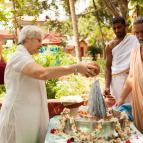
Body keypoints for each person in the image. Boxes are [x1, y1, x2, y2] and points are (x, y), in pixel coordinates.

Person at [0, 25, 100, 143]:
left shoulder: (26, 58)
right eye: (39, 40)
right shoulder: (19, 57)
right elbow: (42, 73)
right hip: (17, 120)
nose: (41, 44)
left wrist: (81, 70)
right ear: (27, 38)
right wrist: (76, 68)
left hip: (26, 118)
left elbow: (45, 73)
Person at [116, 17, 143, 134]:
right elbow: (131, 77)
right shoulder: (135, 52)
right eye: (137, 32)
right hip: (139, 104)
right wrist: (121, 98)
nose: (140, 36)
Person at [104, 16, 139, 102]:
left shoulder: (135, 39)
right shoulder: (110, 46)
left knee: (132, 108)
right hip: (116, 81)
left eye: (119, 27)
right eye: (114, 28)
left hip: (132, 78)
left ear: (125, 26)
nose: (117, 30)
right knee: (118, 108)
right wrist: (107, 86)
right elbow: (108, 68)